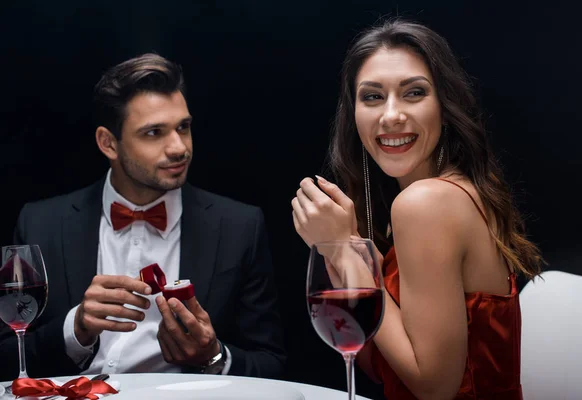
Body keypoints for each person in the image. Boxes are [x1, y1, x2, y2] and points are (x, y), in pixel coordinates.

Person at [292, 18, 543, 399]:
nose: (391, 115)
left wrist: (343, 247)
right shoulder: (455, 192)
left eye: (413, 93)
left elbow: (434, 387)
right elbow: (379, 361)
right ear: (354, 113)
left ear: (445, 105)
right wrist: (354, 252)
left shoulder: (425, 204)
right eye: (372, 97)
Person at [0, 53, 286, 380]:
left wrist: (213, 356)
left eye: (184, 127)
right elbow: (7, 355)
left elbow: (272, 364)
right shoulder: (40, 223)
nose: (179, 147)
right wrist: (74, 328)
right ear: (108, 143)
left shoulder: (240, 227)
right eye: (154, 133)